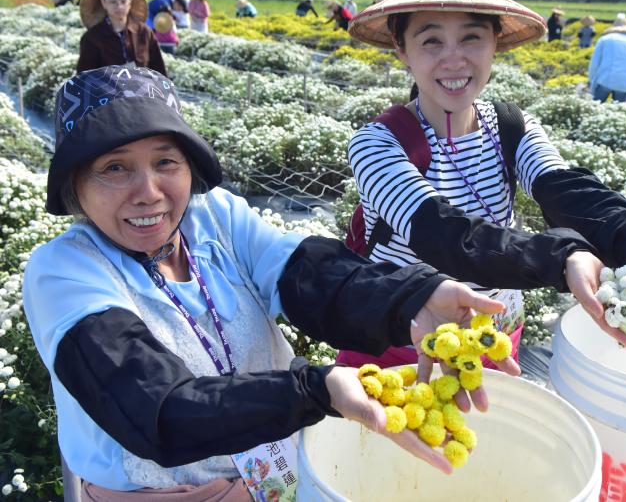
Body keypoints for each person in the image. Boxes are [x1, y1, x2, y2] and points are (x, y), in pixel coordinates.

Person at [24, 64, 519, 496]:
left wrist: (409, 297)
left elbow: (309, 275)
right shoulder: (64, 273)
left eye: (165, 162)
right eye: (114, 168)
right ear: (74, 185)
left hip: (274, 472)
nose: (148, 192)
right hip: (161, 496)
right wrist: (313, 391)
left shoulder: (212, 217)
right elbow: (157, 407)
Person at [341, 0, 626, 370]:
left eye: (472, 37)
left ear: (495, 41)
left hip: (494, 333)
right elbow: (441, 234)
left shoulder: (512, 127)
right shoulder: (378, 143)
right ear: (401, 48)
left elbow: (562, 188)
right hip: (403, 338)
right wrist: (563, 259)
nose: (454, 58)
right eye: (431, 41)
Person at [76, 0, 166, 77]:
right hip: (107, 92)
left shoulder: (144, 33)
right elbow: (84, 78)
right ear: (103, 3)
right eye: (113, 2)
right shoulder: (92, 38)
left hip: (144, 91)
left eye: (123, 2)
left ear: (130, 3)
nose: (119, 7)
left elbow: (159, 71)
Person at [588, 14, 626, 104]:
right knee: (617, 109)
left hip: (605, 78)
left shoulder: (604, 40)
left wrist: (591, 81)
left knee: (596, 106)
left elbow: (595, 63)